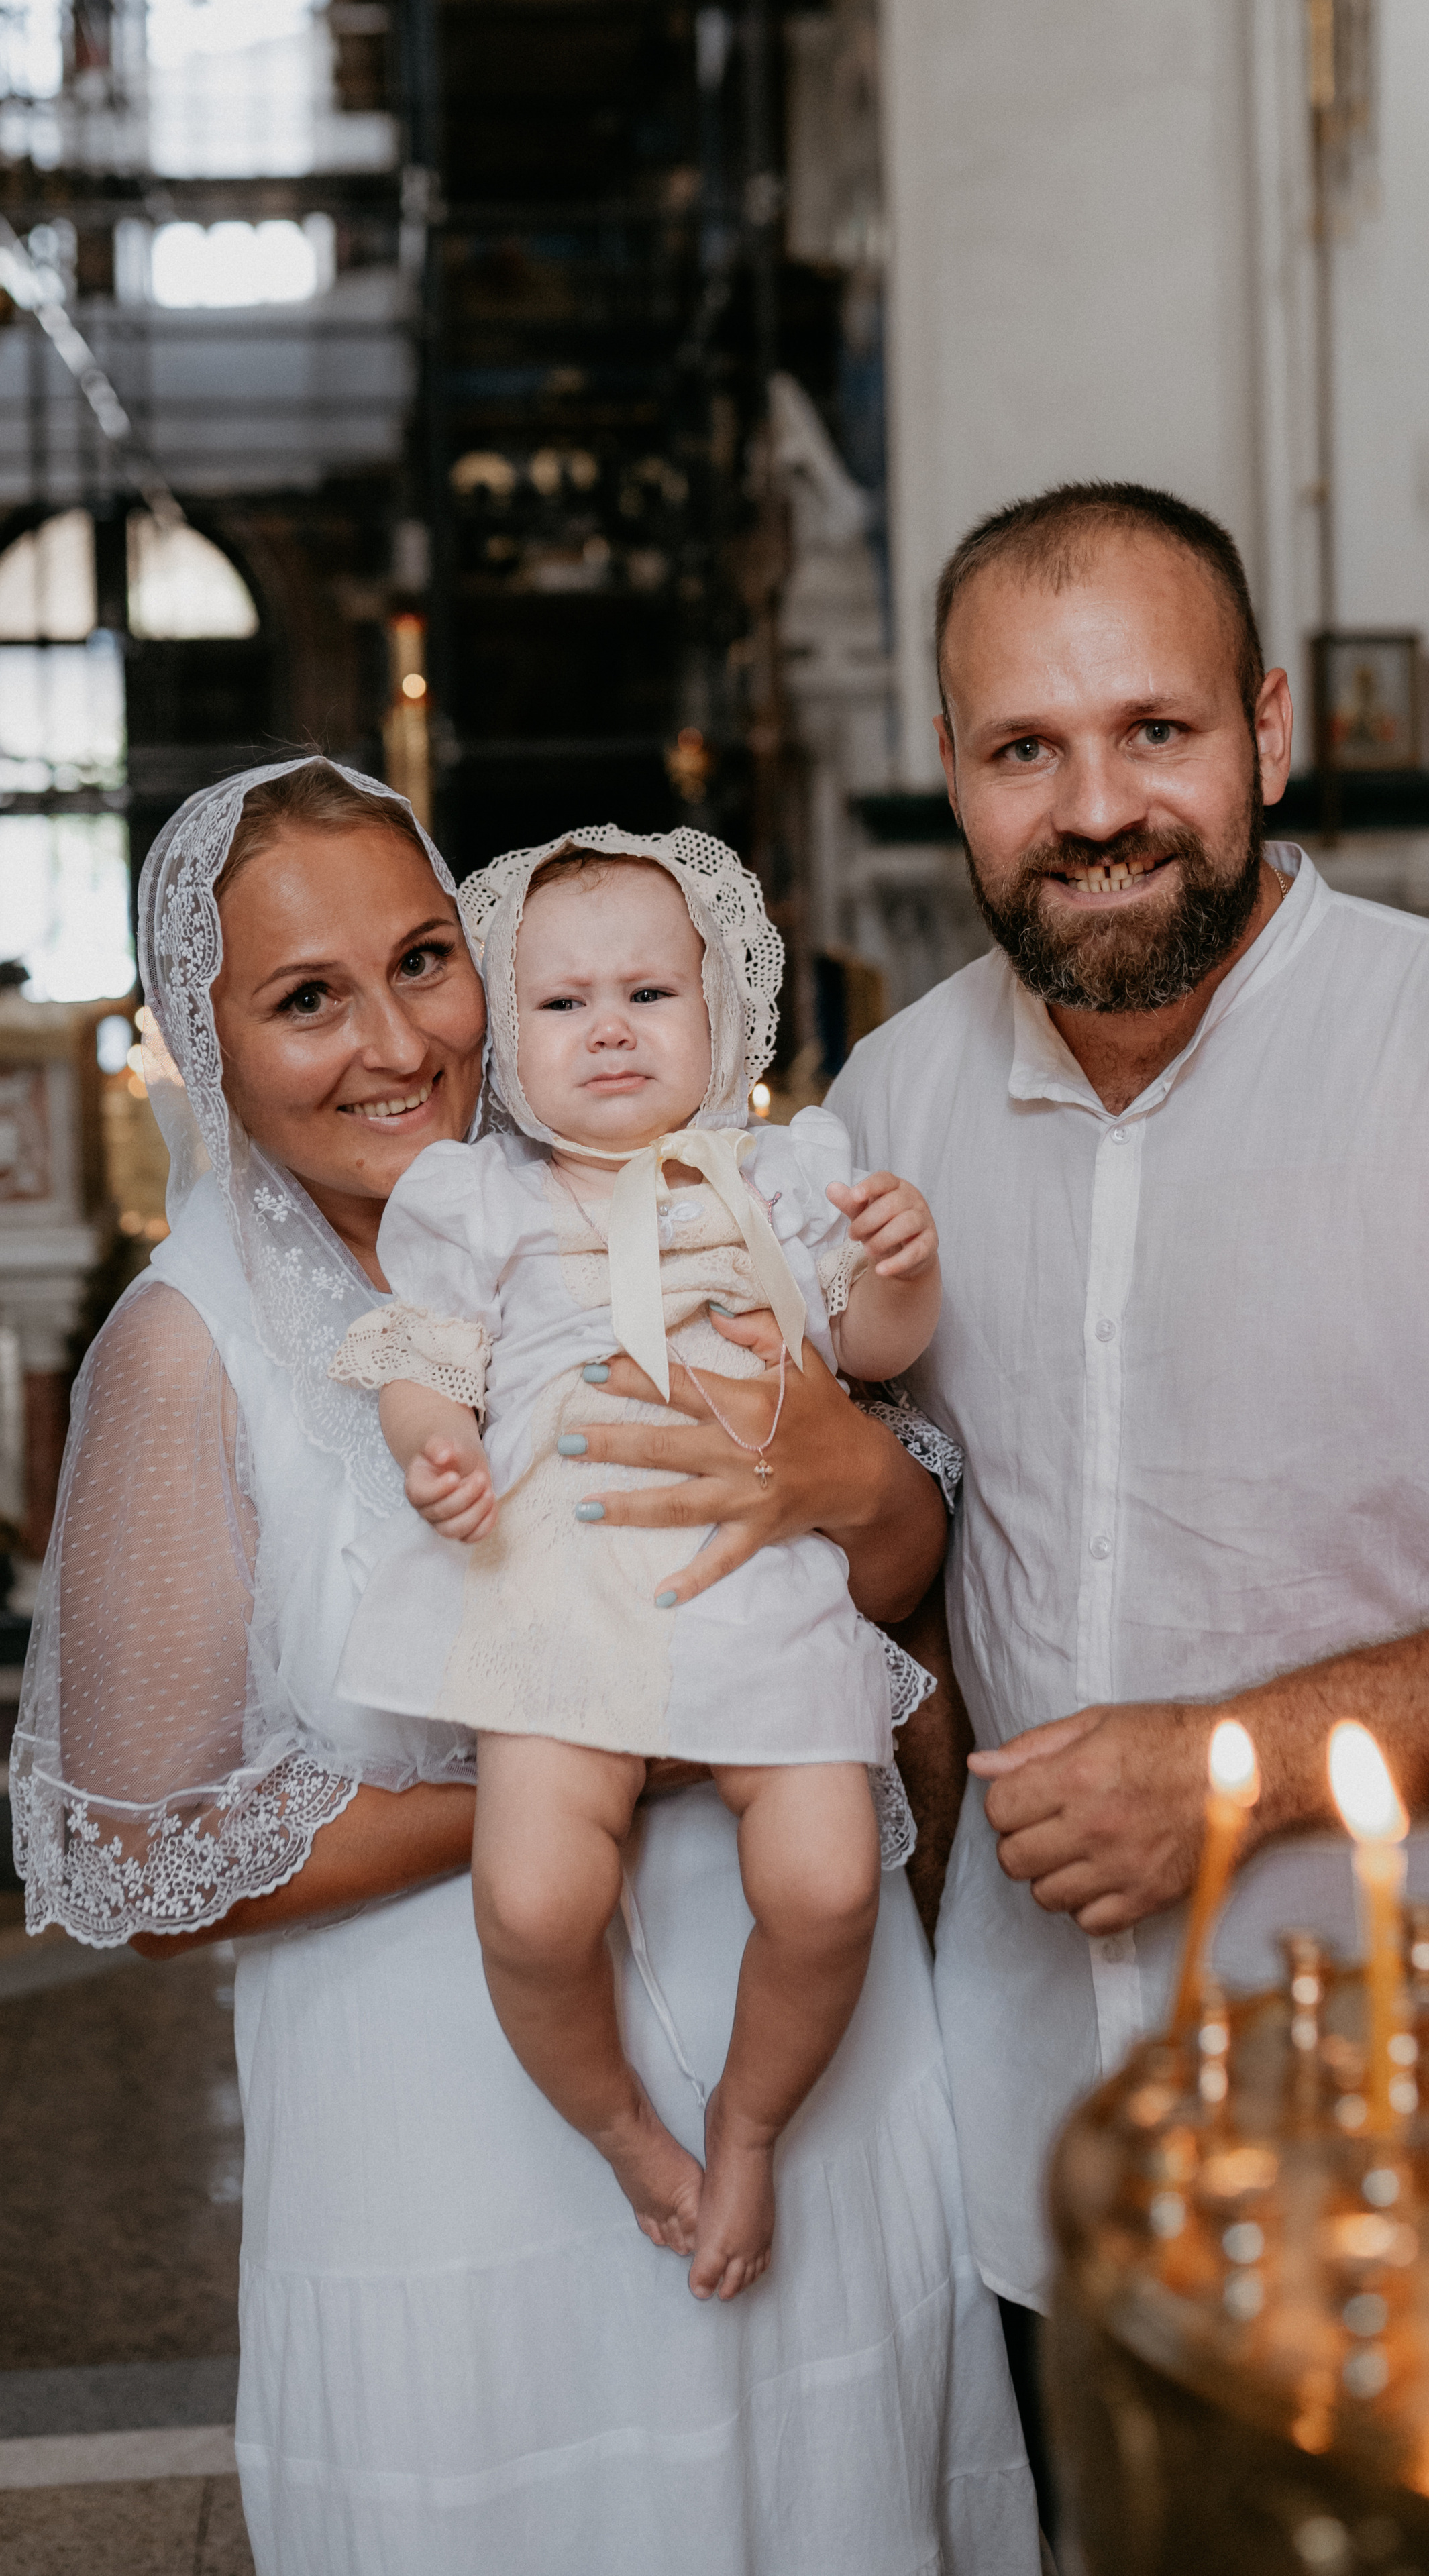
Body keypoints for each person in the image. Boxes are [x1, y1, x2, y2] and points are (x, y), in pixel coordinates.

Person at [11, 755, 1037, 2575]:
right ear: (206, 1041)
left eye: (423, 960)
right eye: (306, 1000)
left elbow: (897, 1585)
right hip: (461, 2175)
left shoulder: (636, 1196)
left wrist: (846, 1472)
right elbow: (146, 1865)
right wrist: (585, 1755)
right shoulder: (192, 1357)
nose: (397, 1041)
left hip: (819, 2097)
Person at [827, 479, 1429, 2507]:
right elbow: (890, 1562)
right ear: (950, 779)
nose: (1097, 807)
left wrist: (1241, 1760)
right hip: (1024, 2129)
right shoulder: (891, 1115)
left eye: (1158, 732)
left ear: (1271, 732)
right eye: (1023, 751)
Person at [331, 829, 943, 2302]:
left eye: (648, 995)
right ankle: (616, 2124)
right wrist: (433, 1442)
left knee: (826, 1883)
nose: (607, 1026)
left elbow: (871, 1354)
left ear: (718, 1017)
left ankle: (747, 2122)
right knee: (535, 1900)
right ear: (505, 1037)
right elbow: (417, 1349)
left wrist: (903, 1266)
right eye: (560, 1004)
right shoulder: (476, 1199)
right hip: (561, 1574)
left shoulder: (785, 1181)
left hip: (763, 1573)